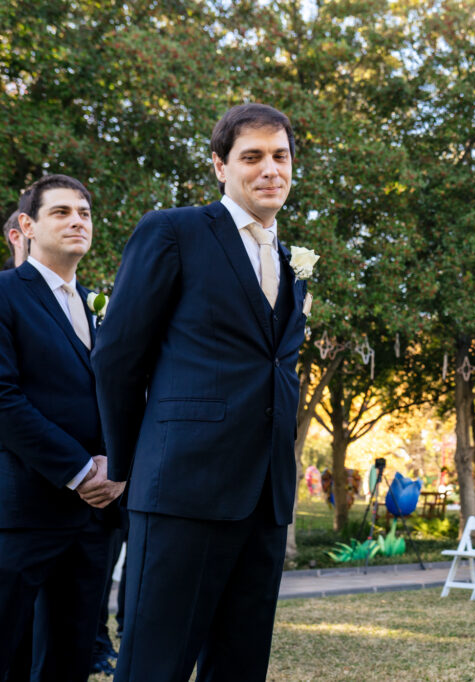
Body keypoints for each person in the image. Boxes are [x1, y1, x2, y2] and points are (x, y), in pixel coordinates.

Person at [92, 103, 309, 682]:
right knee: (153, 666)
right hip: (180, 491)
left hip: (265, 498)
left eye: (280, 156)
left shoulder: (292, 261)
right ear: (220, 166)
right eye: (252, 157)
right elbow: (117, 355)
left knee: (239, 667)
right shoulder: (174, 231)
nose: (270, 169)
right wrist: (127, 462)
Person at [0, 174, 124, 680]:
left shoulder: (102, 305)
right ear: (27, 226)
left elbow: (122, 395)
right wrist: (78, 469)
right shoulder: (6, 293)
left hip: (93, 521)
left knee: (70, 661)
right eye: (61, 213)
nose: (77, 221)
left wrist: (118, 462)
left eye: (85, 213)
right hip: (23, 514)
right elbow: (3, 399)